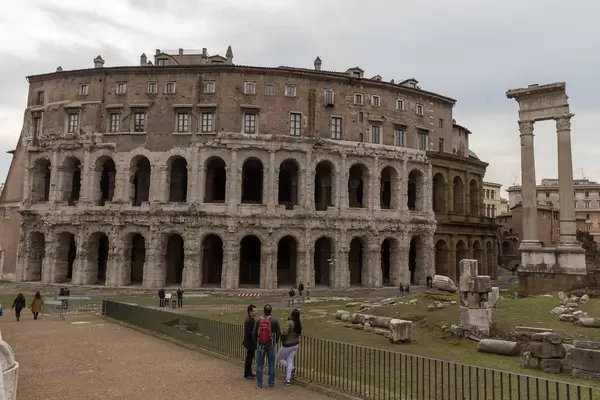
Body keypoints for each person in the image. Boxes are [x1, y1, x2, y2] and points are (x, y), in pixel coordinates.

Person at [253, 304, 281, 389]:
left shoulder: (258, 320)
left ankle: (259, 383)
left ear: (264, 311)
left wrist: (256, 343)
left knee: (260, 364)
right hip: (271, 343)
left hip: (261, 344)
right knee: (271, 364)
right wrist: (275, 341)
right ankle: (271, 383)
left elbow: (254, 333)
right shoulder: (275, 320)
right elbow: (279, 332)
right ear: (271, 311)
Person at [277, 308, 302, 385]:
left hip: (287, 345)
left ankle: (292, 369)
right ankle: (288, 380)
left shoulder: (289, 323)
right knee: (290, 361)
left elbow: (285, 333)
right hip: (295, 344)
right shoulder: (299, 323)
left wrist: (283, 339)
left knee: (279, 358)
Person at [243, 304, 258, 379]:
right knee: (249, 358)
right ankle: (247, 374)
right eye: (254, 311)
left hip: (249, 342)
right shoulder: (249, 321)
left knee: (250, 357)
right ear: (250, 312)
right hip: (250, 342)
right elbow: (249, 332)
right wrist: (255, 333)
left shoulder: (250, 319)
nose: (256, 312)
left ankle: (249, 372)